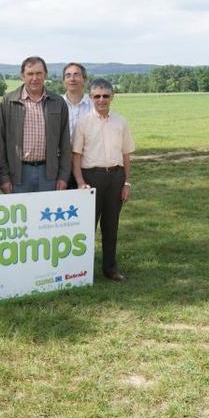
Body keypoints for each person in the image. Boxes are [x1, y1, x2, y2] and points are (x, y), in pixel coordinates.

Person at [72, 79, 135, 282]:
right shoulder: (83, 122)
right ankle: (82, 270)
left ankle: (110, 268)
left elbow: (126, 154)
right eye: (97, 96)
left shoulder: (121, 122)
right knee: (88, 226)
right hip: (91, 177)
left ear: (112, 97)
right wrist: (80, 181)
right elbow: (76, 155)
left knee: (111, 225)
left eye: (105, 96)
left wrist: (127, 183)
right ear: (90, 98)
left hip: (115, 177)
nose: (101, 100)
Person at [0, 56, 71, 193]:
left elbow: (65, 142)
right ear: (22, 76)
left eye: (39, 73)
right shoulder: (8, 102)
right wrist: (3, 177)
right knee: (22, 214)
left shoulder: (58, 102)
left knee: (47, 212)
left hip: (49, 174)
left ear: (45, 75)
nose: (34, 78)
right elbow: (0, 142)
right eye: (30, 74)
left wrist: (63, 176)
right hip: (18, 174)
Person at [62, 62, 92, 189]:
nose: (72, 78)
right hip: (62, 166)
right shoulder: (55, 105)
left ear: (84, 80)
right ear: (64, 81)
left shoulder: (94, 105)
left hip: (88, 164)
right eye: (68, 75)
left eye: (76, 75)